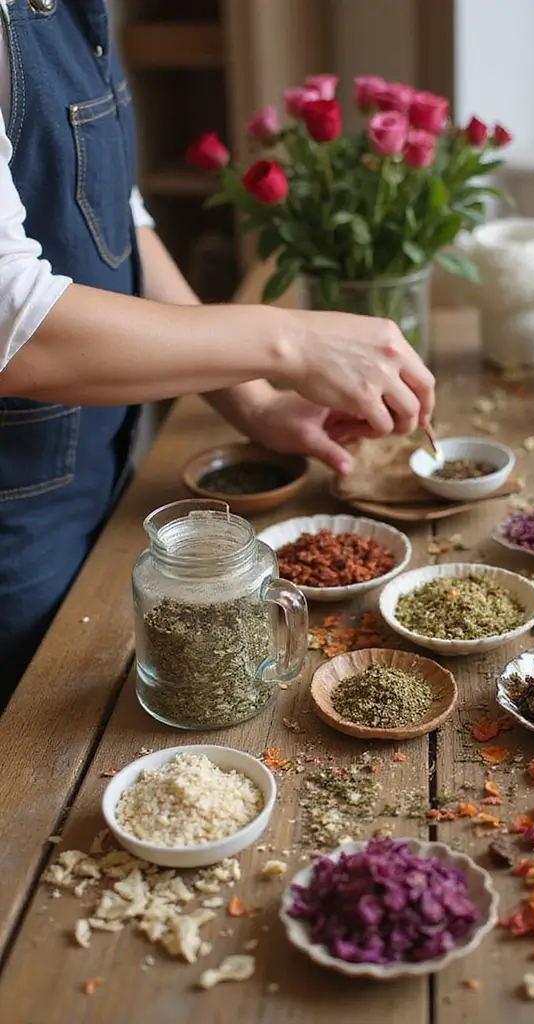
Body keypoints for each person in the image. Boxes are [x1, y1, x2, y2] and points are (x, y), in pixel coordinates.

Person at [0, 0, 435, 704]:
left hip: (102, 487)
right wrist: (289, 339)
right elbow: (16, 326)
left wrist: (253, 401)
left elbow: (114, 219)